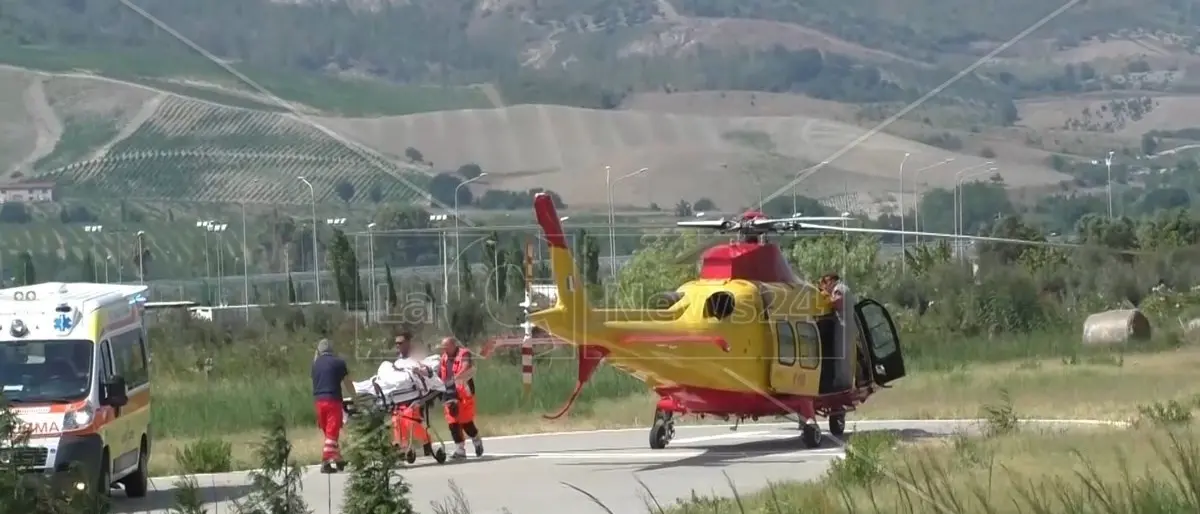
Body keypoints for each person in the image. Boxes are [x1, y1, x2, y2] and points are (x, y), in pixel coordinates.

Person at [390, 332, 436, 458]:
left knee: (409, 419)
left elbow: (427, 372)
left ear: (407, 343)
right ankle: (402, 445)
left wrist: (420, 372)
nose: (397, 345)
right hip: (400, 395)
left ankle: (426, 441)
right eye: (396, 343)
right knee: (396, 419)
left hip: (416, 395)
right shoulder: (398, 361)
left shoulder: (416, 358)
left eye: (400, 343)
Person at [311, 338, 352, 473]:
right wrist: (355, 397)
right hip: (333, 401)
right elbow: (347, 382)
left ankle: (338, 459)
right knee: (332, 434)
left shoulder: (315, 365)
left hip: (318, 402)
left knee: (330, 435)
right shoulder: (339, 363)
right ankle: (325, 462)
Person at [438, 336, 483, 459]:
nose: (444, 349)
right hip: (449, 393)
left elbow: (466, 366)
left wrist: (455, 379)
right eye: (443, 347)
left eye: (446, 347)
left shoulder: (464, 353)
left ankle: (476, 440)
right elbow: (440, 374)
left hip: (464, 393)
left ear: (453, 345)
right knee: (452, 423)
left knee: (466, 421)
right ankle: (460, 450)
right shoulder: (444, 358)